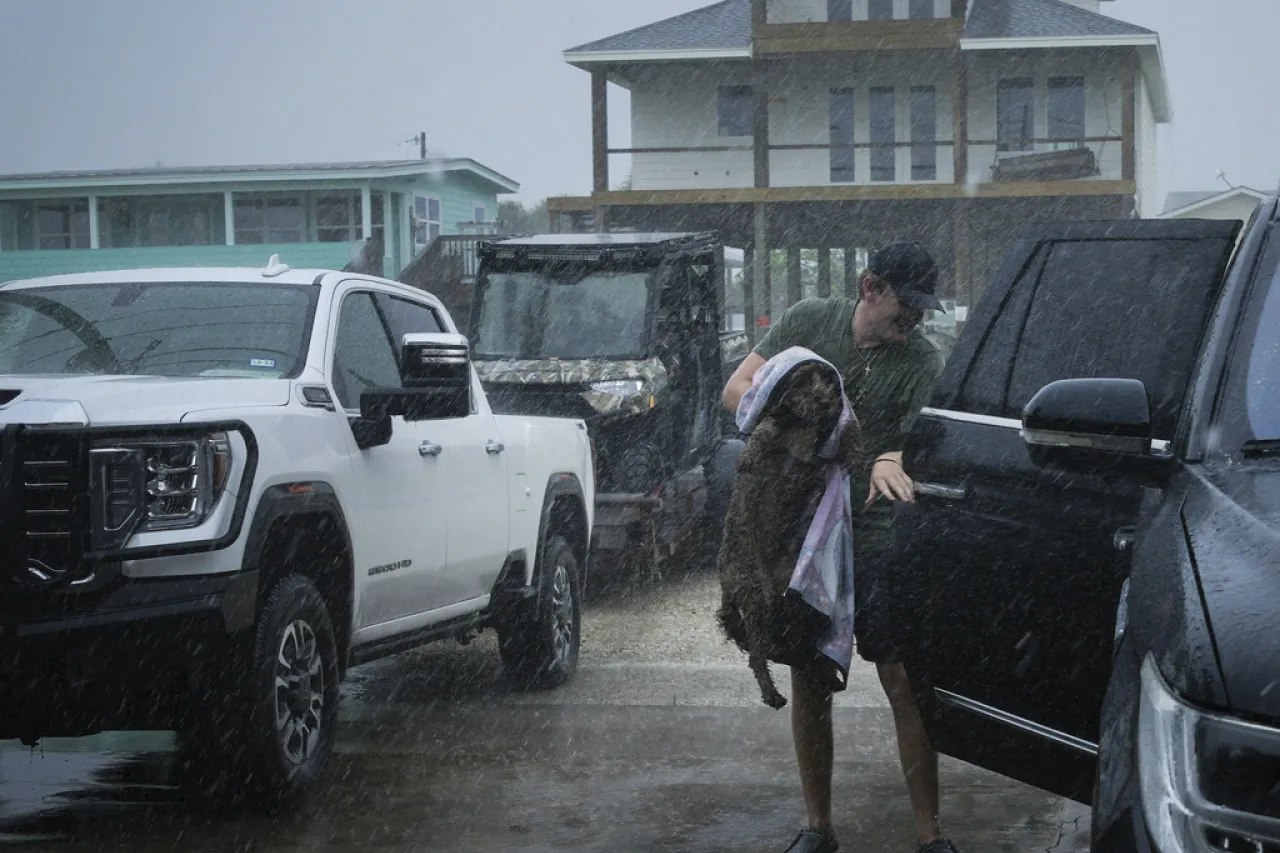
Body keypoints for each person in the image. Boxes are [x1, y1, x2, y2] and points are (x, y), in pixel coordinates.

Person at [721, 242, 957, 853]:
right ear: (869, 287)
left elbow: (928, 443)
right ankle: (817, 828)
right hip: (806, 534)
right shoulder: (808, 324)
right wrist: (803, 422)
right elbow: (738, 389)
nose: (915, 322)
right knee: (808, 676)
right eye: (906, 308)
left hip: (877, 537)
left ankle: (931, 837)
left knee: (901, 676)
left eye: (923, 312)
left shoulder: (922, 363)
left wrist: (893, 454)